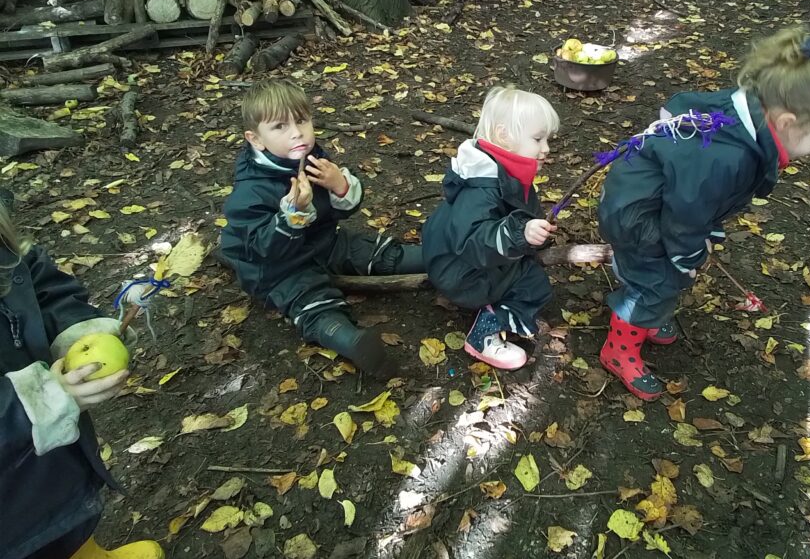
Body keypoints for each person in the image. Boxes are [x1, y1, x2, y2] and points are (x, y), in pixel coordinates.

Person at [596, 29, 810, 400]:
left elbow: (695, 188)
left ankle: (646, 316)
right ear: (785, 122)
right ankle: (619, 349)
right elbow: (687, 211)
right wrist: (688, 252)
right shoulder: (728, 157)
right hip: (640, 217)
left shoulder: (744, 120)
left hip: (654, 202)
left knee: (663, 277)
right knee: (654, 284)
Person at [0, 190, 164, 559]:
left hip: (48, 450)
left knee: (61, 511)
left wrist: (76, 330)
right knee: (22, 550)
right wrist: (32, 405)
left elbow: (38, 283)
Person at [220, 80, 423, 379]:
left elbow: (343, 207)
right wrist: (292, 215)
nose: (296, 132)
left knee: (366, 249)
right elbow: (263, 247)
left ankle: (433, 255)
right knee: (308, 297)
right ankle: (348, 339)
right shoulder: (250, 192)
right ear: (256, 139)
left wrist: (340, 185)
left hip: (323, 241)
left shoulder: (312, 157)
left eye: (301, 120)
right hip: (278, 267)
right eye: (280, 127)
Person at [422, 87, 559, 370]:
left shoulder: (509, 172)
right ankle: (486, 332)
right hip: (461, 269)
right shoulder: (481, 186)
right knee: (534, 285)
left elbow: (521, 212)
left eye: (547, 139)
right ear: (502, 135)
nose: (546, 148)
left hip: (466, 259)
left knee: (532, 276)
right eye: (537, 139)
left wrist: (534, 232)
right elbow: (473, 239)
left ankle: (507, 307)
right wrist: (520, 234)